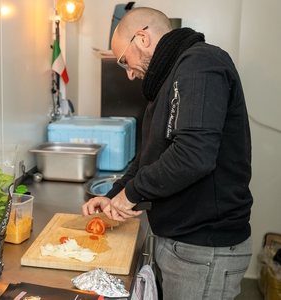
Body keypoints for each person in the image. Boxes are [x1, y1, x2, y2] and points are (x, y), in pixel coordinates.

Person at [82, 7, 253, 300]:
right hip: (180, 244)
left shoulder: (201, 64)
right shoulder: (167, 82)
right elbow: (149, 155)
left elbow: (194, 155)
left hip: (203, 250)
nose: (130, 75)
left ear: (142, 38)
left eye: (124, 62)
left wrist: (132, 193)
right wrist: (114, 195)